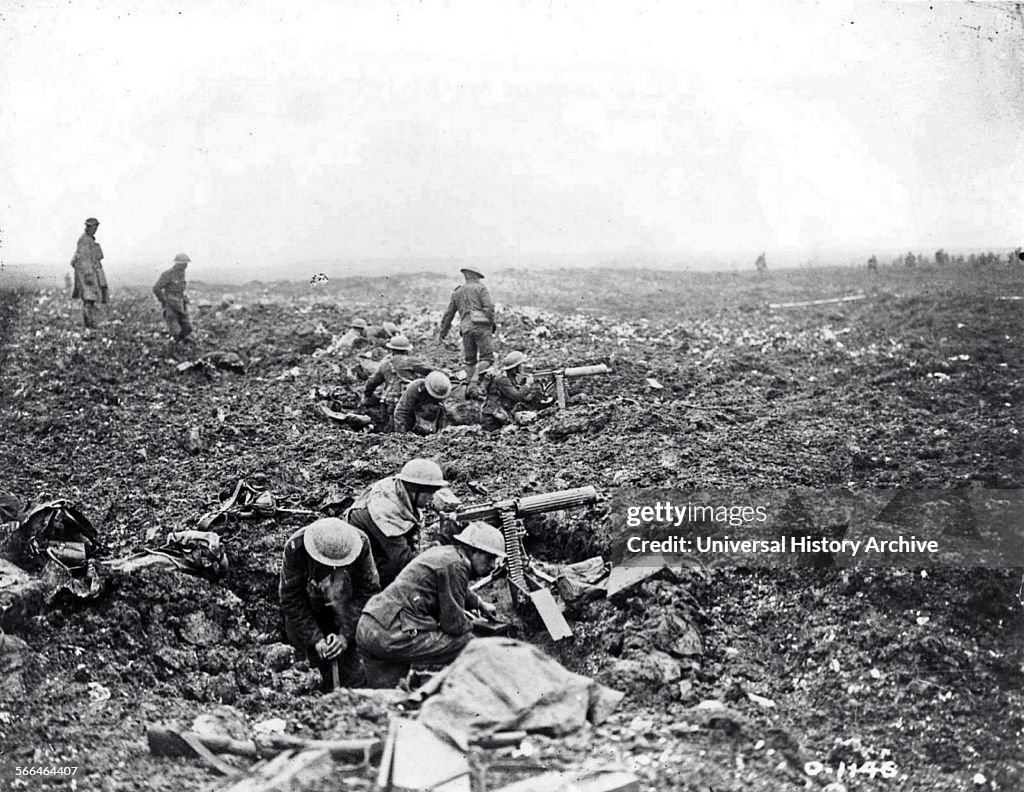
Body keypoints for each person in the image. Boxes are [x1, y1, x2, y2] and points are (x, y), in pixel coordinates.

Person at [356, 521, 504, 688]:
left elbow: (451, 584)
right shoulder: (457, 566)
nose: (493, 565)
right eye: (489, 557)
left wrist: (479, 603)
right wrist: (475, 627)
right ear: (472, 550)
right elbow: (453, 625)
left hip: (370, 625)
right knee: (467, 643)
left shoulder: (447, 555)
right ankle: (470, 692)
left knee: (387, 697)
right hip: (392, 633)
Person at [279, 518, 381, 690]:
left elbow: (369, 593)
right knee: (305, 670)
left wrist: (345, 635)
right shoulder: (296, 548)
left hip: (347, 607)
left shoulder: (360, 544)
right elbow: (290, 599)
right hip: (310, 607)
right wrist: (315, 638)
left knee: (357, 673)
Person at [345, 458, 448, 587]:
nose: (432, 498)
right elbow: (404, 561)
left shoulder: (400, 490)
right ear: (415, 489)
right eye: (429, 493)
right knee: (394, 572)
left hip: (376, 542)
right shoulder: (385, 511)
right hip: (356, 560)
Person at [438, 267, 495, 394]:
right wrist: (490, 323)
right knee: (487, 358)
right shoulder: (481, 288)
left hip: (466, 329)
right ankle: (474, 381)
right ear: (476, 276)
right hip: (481, 327)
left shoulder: (457, 293)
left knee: (470, 360)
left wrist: (443, 334)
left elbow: (448, 315)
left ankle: (469, 388)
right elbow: (489, 307)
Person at [360, 335, 434, 431]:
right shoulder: (410, 361)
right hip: (406, 400)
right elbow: (431, 371)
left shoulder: (385, 364)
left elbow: (372, 382)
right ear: (406, 350)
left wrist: (367, 395)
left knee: (389, 430)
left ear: (392, 350)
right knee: (407, 427)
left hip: (387, 401)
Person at [480, 350, 542, 432]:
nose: (523, 366)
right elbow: (516, 396)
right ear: (516, 367)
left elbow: (524, 398)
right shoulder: (502, 379)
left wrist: (533, 390)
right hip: (492, 419)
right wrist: (527, 385)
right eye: (521, 364)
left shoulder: (510, 377)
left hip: (500, 415)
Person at [70, 217, 107, 328]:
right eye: (94, 227)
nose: (95, 229)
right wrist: (88, 275)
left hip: (89, 272)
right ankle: (89, 323)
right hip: (87, 274)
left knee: (91, 298)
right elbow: (84, 260)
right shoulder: (84, 240)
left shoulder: (89, 240)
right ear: (89, 227)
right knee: (89, 298)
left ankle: (90, 321)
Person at [393, 370, 451, 435]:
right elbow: (401, 412)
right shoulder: (415, 388)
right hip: (411, 421)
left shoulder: (442, 391)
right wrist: (402, 436)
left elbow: (444, 416)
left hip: (429, 425)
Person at [153, 253, 193, 341]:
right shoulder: (167, 274)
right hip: (170, 306)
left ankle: (178, 343)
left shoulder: (182, 274)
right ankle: (175, 346)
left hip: (180, 305)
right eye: (183, 264)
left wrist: (185, 298)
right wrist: (164, 301)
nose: (185, 266)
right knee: (175, 331)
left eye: (186, 264)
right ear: (178, 264)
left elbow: (181, 290)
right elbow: (156, 288)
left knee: (187, 328)